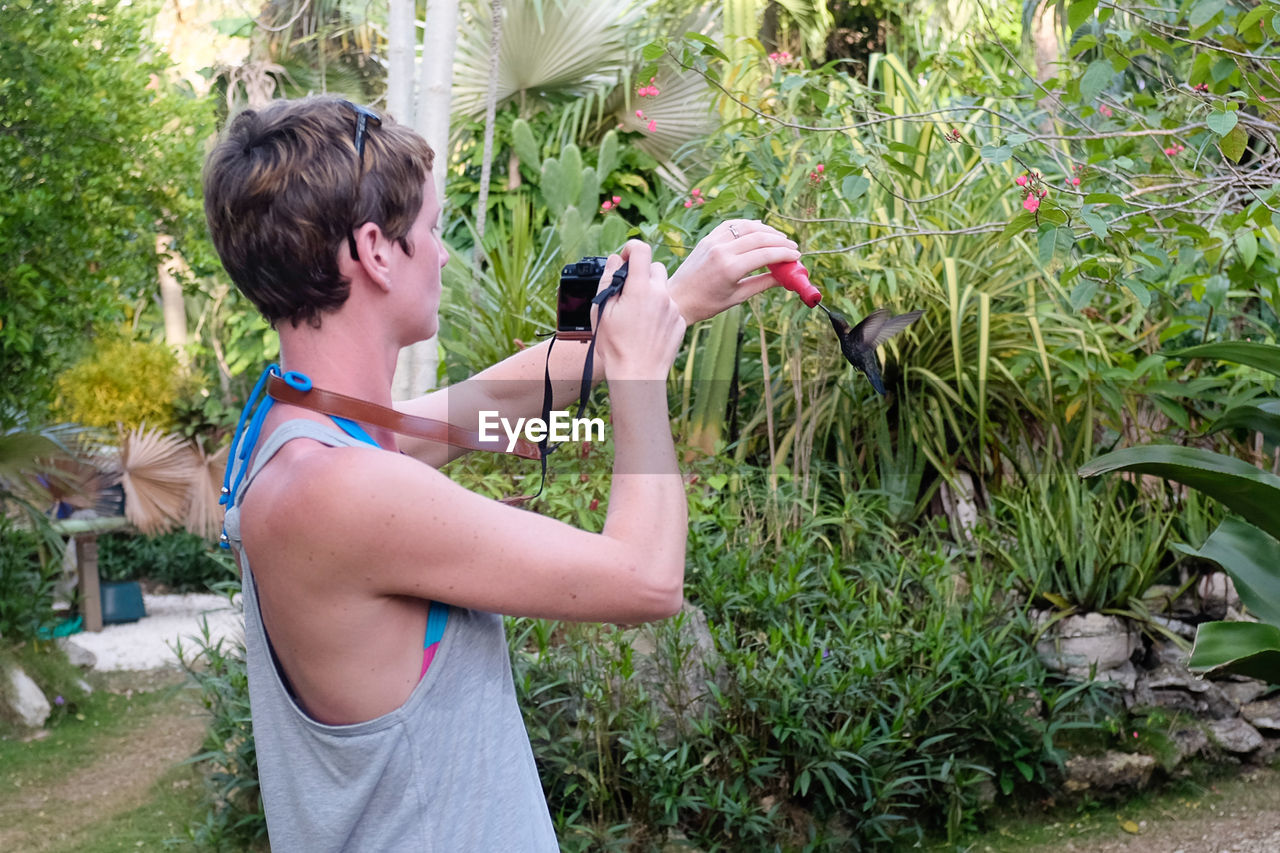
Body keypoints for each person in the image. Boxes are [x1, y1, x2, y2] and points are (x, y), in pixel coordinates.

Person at [203, 94, 802, 851]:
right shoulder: (341, 489)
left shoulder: (296, 432)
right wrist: (639, 375)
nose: (445, 252)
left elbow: (483, 408)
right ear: (375, 250)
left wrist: (677, 300)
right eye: (430, 229)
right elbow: (647, 580)